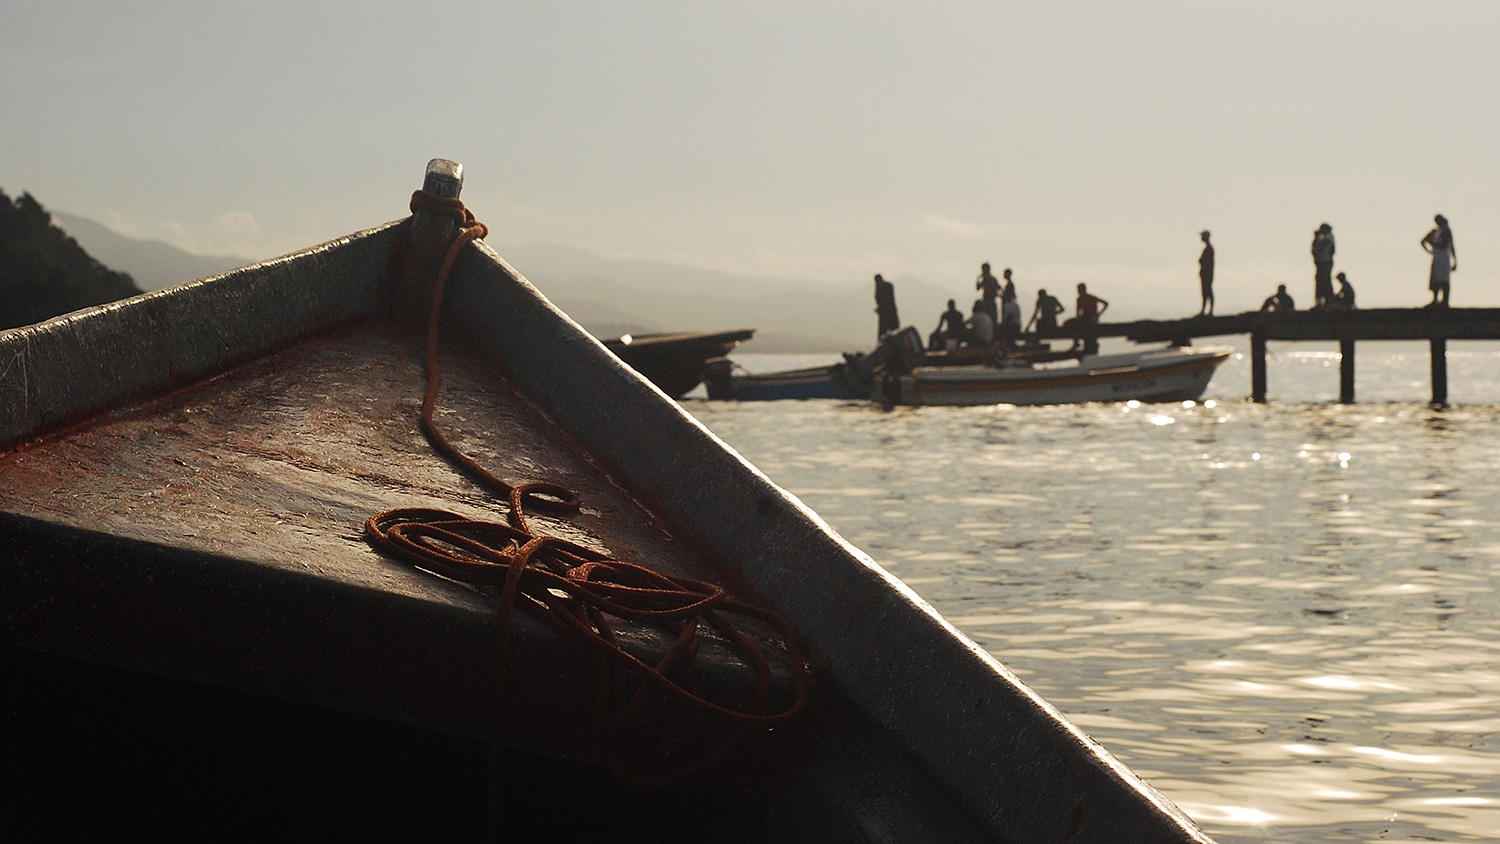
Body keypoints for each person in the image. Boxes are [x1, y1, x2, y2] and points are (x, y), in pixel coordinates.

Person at [1421, 214, 1457, 308]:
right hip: (1438, 257)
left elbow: (1447, 245)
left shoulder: (1445, 231)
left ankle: (1444, 301)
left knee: (1443, 280)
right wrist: (1431, 250)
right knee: (1436, 279)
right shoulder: (1436, 231)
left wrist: (1433, 245)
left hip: (1443, 257)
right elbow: (1423, 241)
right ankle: (1436, 299)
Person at [1074, 283, 1108, 354]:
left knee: (1090, 329)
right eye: (1078, 290)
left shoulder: (1091, 297)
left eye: (1080, 290)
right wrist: (1078, 318)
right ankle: (1076, 342)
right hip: (1084, 317)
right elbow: (1078, 310)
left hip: (1091, 317)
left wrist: (1099, 314)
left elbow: (1106, 303)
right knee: (1071, 324)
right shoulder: (1079, 299)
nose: (1079, 291)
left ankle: (1092, 343)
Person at [1311, 223, 1335, 309]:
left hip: (1324, 262)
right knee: (1322, 281)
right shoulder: (1327, 238)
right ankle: (1324, 301)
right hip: (1324, 261)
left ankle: (1326, 301)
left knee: (1324, 281)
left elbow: (1320, 248)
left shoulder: (1327, 237)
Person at [874, 273, 900, 339]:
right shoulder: (888, 286)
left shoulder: (881, 288)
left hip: (885, 315)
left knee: (882, 335)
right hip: (891, 314)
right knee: (896, 334)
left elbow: (883, 301)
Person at [1197, 230, 1215, 316]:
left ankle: (1208, 310)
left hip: (1207, 274)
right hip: (1206, 274)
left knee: (1207, 291)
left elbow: (1204, 261)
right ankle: (1205, 310)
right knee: (1205, 292)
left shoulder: (1209, 249)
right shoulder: (1208, 249)